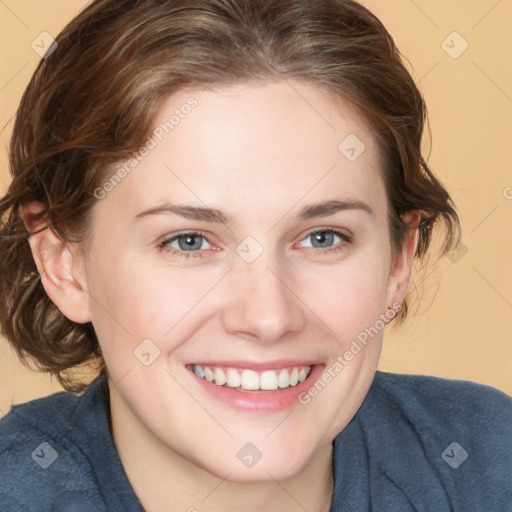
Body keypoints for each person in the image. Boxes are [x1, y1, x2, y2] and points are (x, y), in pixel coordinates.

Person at [0, 0, 510, 510]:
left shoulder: (489, 464)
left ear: (399, 261)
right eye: (189, 241)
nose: (268, 317)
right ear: (63, 264)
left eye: (323, 237)